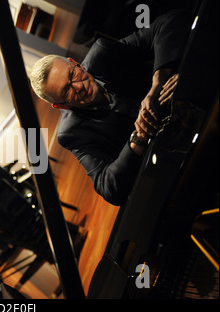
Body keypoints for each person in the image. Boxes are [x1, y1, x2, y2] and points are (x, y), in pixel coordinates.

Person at [30, 9, 192, 206]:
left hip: (190, 102)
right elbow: (109, 189)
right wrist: (138, 138)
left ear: (75, 63)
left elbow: (167, 22)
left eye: (73, 74)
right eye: (67, 91)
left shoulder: (102, 54)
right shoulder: (72, 133)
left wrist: (159, 81)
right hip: (173, 159)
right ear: (59, 105)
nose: (79, 86)